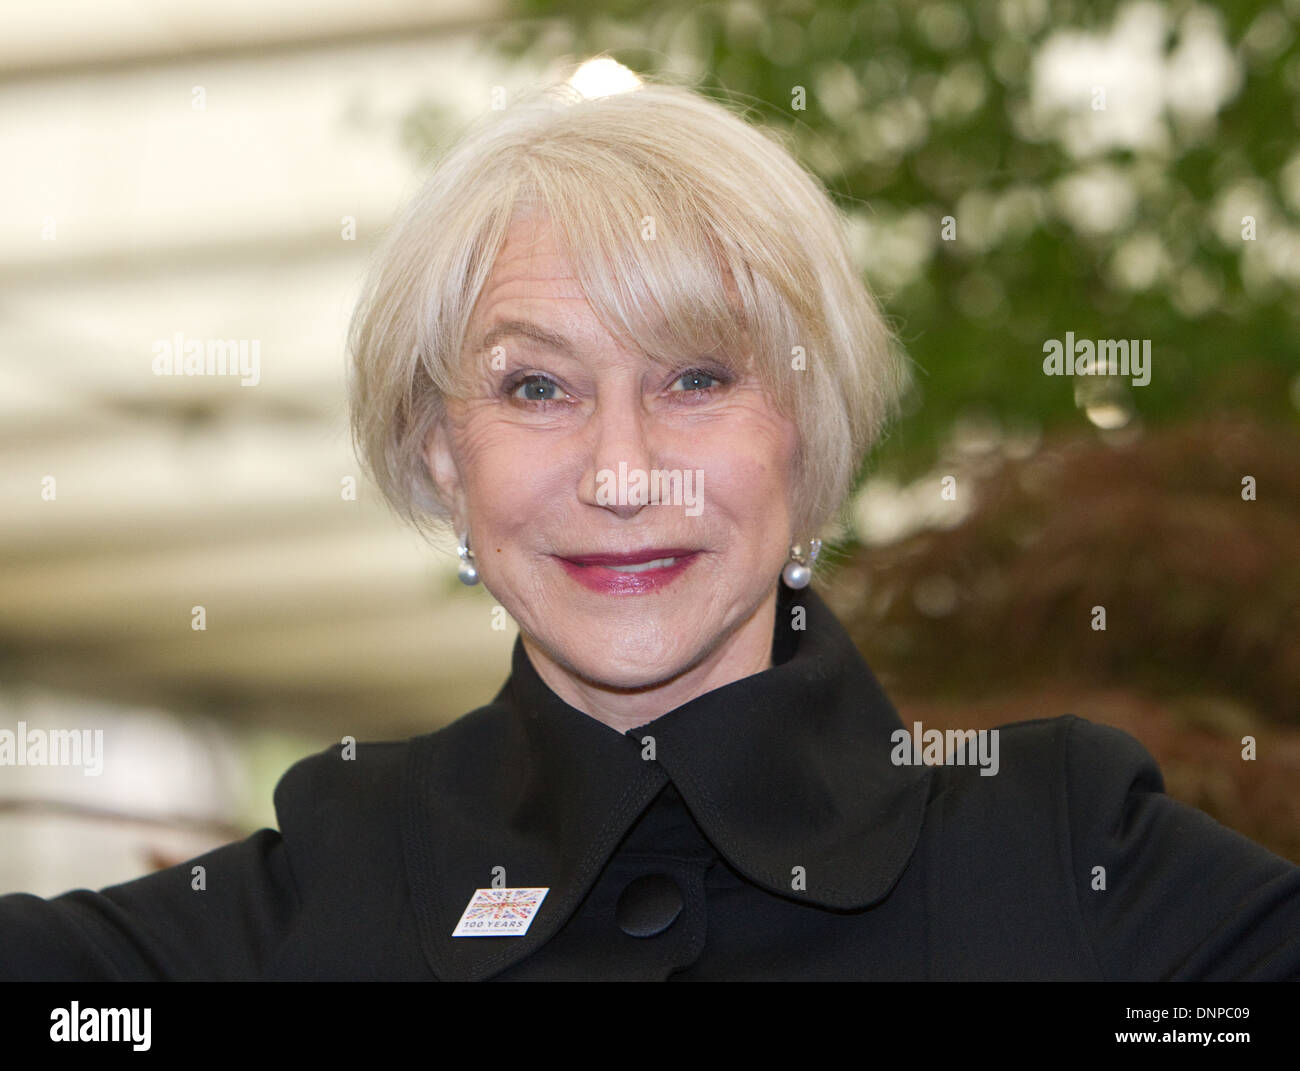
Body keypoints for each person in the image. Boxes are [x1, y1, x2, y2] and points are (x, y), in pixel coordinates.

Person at [2, 76, 1298, 982]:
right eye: (535, 387)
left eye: (697, 380)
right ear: (441, 455)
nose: (623, 474)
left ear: (809, 424)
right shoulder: (323, 891)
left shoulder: (1069, 865)